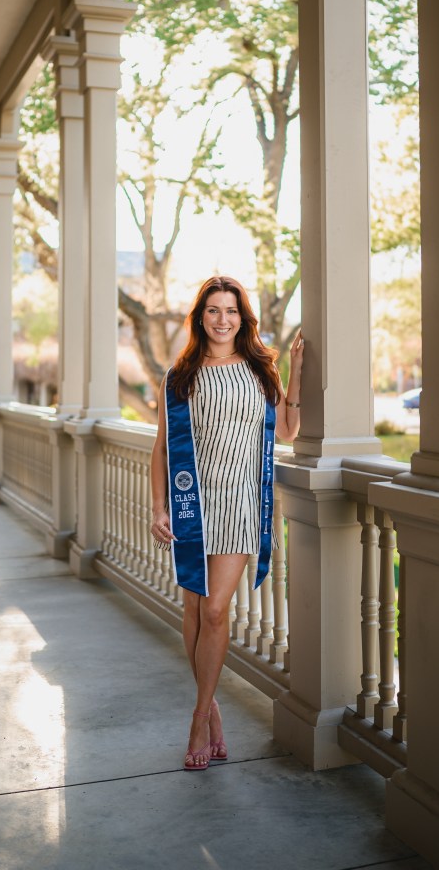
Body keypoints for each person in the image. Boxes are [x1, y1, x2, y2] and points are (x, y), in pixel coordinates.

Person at [150, 275, 304, 770]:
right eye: (213, 310)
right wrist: (159, 508)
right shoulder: (180, 377)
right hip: (194, 502)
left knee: (216, 610)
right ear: (201, 317)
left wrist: (296, 373)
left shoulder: (261, 370)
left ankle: (198, 716)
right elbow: (162, 448)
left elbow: (287, 429)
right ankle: (212, 708)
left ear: (243, 317)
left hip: (240, 504)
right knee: (195, 610)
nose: (223, 319)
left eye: (231, 310)